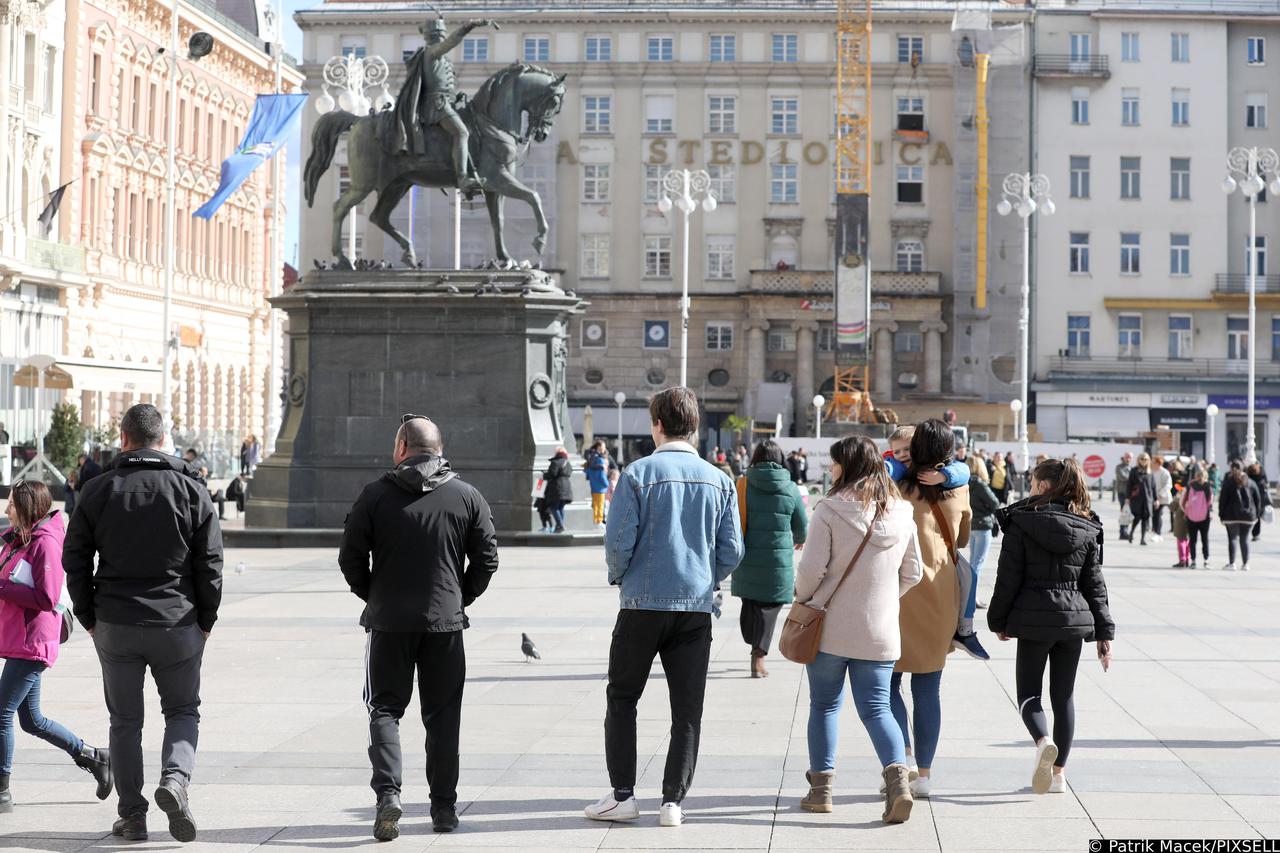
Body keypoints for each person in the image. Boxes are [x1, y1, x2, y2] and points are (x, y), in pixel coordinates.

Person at [63, 404, 223, 843]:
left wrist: (88, 614)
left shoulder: (97, 489)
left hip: (115, 620)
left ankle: (133, 816)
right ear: (162, 439)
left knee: (124, 721)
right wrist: (206, 618)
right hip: (177, 619)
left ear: (124, 438)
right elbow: (210, 563)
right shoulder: (191, 489)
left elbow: (73, 557)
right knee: (183, 710)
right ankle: (174, 780)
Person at [586, 387, 743, 827]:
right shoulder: (720, 479)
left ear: (657, 424)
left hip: (641, 605)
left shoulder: (637, 475)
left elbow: (618, 542)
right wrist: (708, 578)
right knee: (687, 707)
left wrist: (622, 576)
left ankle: (622, 795)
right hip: (694, 607)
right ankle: (673, 802)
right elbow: (732, 549)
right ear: (694, 426)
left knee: (622, 698)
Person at [339, 415, 499, 839]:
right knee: (444, 717)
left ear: (402, 446)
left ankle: (389, 796)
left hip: (389, 622)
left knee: (384, 708)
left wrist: (372, 594)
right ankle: (443, 809)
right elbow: (487, 559)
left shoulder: (374, 496)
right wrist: (460, 596)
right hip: (445, 624)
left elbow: (350, 557)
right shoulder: (467, 496)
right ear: (440, 449)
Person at [794, 436, 922, 823]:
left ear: (845, 466)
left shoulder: (830, 509)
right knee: (878, 707)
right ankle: (898, 783)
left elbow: (811, 571)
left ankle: (821, 791)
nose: (830, 469)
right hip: (880, 630)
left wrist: (803, 597)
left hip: (829, 627)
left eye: (834, 463)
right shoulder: (902, 512)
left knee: (825, 705)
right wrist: (883, 598)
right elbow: (914, 572)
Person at [989, 458, 1113, 795]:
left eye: (1032, 482)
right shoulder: (1086, 526)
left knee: (1029, 694)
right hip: (1073, 623)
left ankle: (1043, 741)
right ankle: (1059, 776)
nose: (1029, 488)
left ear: (1044, 487)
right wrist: (1104, 633)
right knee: (1065, 697)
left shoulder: (1021, 522)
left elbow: (1007, 579)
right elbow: (1095, 586)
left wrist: (997, 620)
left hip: (1033, 622)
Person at [1, 480, 113, 813]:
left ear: (26, 507)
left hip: (33, 641)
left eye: (10, 503)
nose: (6, 509)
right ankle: (94, 757)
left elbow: (48, 597)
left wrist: (2, 586)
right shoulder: (19, 538)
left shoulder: (45, 543)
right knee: (31, 720)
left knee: (1, 714)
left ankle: (2, 792)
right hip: (21, 640)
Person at [891, 418, 971, 797]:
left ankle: (900, 757)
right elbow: (965, 537)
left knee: (885, 682)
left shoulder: (897, 485)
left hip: (896, 592)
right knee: (928, 689)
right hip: (940, 593)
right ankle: (923, 775)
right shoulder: (959, 487)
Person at [730, 439, 807, 679]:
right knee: (770, 608)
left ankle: (751, 639)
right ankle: (759, 655)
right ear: (780, 459)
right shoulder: (791, 487)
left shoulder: (742, 484)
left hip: (747, 556)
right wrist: (800, 538)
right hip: (777, 559)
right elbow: (802, 524)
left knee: (750, 600)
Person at [966, 456, 1001, 623]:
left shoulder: (964, 483)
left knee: (973, 563)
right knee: (977, 565)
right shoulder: (979, 484)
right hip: (983, 526)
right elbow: (994, 502)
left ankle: (970, 596)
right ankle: (971, 598)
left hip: (972, 525)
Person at [1219, 463, 1261, 572]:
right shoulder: (1251, 482)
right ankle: (1245, 564)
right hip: (1248, 516)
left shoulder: (1228, 482)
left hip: (1231, 516)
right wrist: (1257, 515)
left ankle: (1232, 563)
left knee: (1232, 539)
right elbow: (1257, 499)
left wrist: (1221, 515)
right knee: (1245, 539)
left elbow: (1222, 500)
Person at [1181, 466, 1213, 569]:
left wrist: (1186, 511)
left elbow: (1183, 501)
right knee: (1202, 539)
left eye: (1201, 476)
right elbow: (1210, 503)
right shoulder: (1208, 487)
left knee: (1195, 540)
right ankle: (1204, 560)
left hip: (1193, 517)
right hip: (1203, 517)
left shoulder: (1191, 486)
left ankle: (1196, 560)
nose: (1200, 478)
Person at [542, 447, 574, 534]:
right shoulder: (568, 463)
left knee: (553, 507)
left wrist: (545, 475)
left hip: (557, 487)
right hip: (566, 486)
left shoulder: (555, 462)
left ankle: (560, 524)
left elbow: (553, 474)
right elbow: (570, 473)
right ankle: (559, 526)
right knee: (560, 507)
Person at [1125, 453, 1155, 545]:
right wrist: (1127, 497)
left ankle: (1142, 539)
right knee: (1137, 518)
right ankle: (1131, 533)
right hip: (1136, 499)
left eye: (1146, 459)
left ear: (1148, 460)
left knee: (1145, 519)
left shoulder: (1150, 472)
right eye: (1142, 459)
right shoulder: (1134, 471)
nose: (1144, 460)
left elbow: (1153, 487)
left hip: (1147, 499)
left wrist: (1156, 499)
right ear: (1138, 460)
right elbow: (1129, 485)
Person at [586, 441, 611, 530]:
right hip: (600, 487)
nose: (604, 448)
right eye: (603, 446)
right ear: (599, 447)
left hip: (594, 486)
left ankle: (596, 521)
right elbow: (602, 475)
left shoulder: (592, 458)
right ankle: (598, 521)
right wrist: (607, 484)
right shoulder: (600, 460)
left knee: (595, 504)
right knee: (600, 505)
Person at [1246, 463, 1272, 543]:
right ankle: (1256, 534)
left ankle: (1249, 533)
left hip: (1251, 501)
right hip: (1261, 501)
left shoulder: (1249, 478)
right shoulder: (1262, 477)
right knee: (1257, 518)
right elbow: (1266, 486)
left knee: (1252, 517)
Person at [1151, 456, 1172, 543]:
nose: (1152, 463)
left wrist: (1159, 495)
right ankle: (1156, 532)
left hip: (1162, 497)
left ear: (1158, 463)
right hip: (1153, 497)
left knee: (1158, 514)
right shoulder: (1151, 471)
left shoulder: (1164, 472)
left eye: (1153, 462)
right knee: (1153, 514)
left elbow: (1168, 485)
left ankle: (1158, 533)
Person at [1170, 483, 1190, 568]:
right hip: (1191, 520)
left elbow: (1172, 507)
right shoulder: (1192, 497)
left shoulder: (1180, 498)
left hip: (1181, 521)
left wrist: (1176, 498)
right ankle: (1187, 559)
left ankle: (1182, 560)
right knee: (1188, 541)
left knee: (1181, 540)